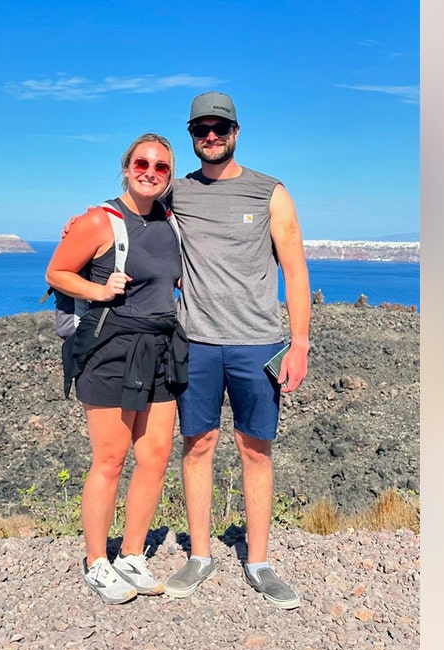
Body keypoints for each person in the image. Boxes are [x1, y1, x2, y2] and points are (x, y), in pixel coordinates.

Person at [160, 91, 312, 609]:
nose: (211, 136)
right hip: (197, 342)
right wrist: (84, 221)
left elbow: (295, 270)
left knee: (255, 449)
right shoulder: (178, 191)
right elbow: (130, 213)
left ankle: (260, 562)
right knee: (197, 444)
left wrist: (300, 343)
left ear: (235, 132)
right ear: (191, 135)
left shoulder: (270, 192)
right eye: (201, 129)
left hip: (258, 343)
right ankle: (200, 555)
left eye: (219, 128)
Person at [45, 133, 188, 605]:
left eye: (161, 167)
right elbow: (57, 272)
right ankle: (96, 562)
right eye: (141, 163)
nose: (150, 172)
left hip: (161, 347)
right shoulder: (99, 220)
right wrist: (100, 291)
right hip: (111, 350)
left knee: (155, 456)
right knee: (110, 459)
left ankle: (130, 554)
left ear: (169, 176)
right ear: (126, 168)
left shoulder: (171, 221)